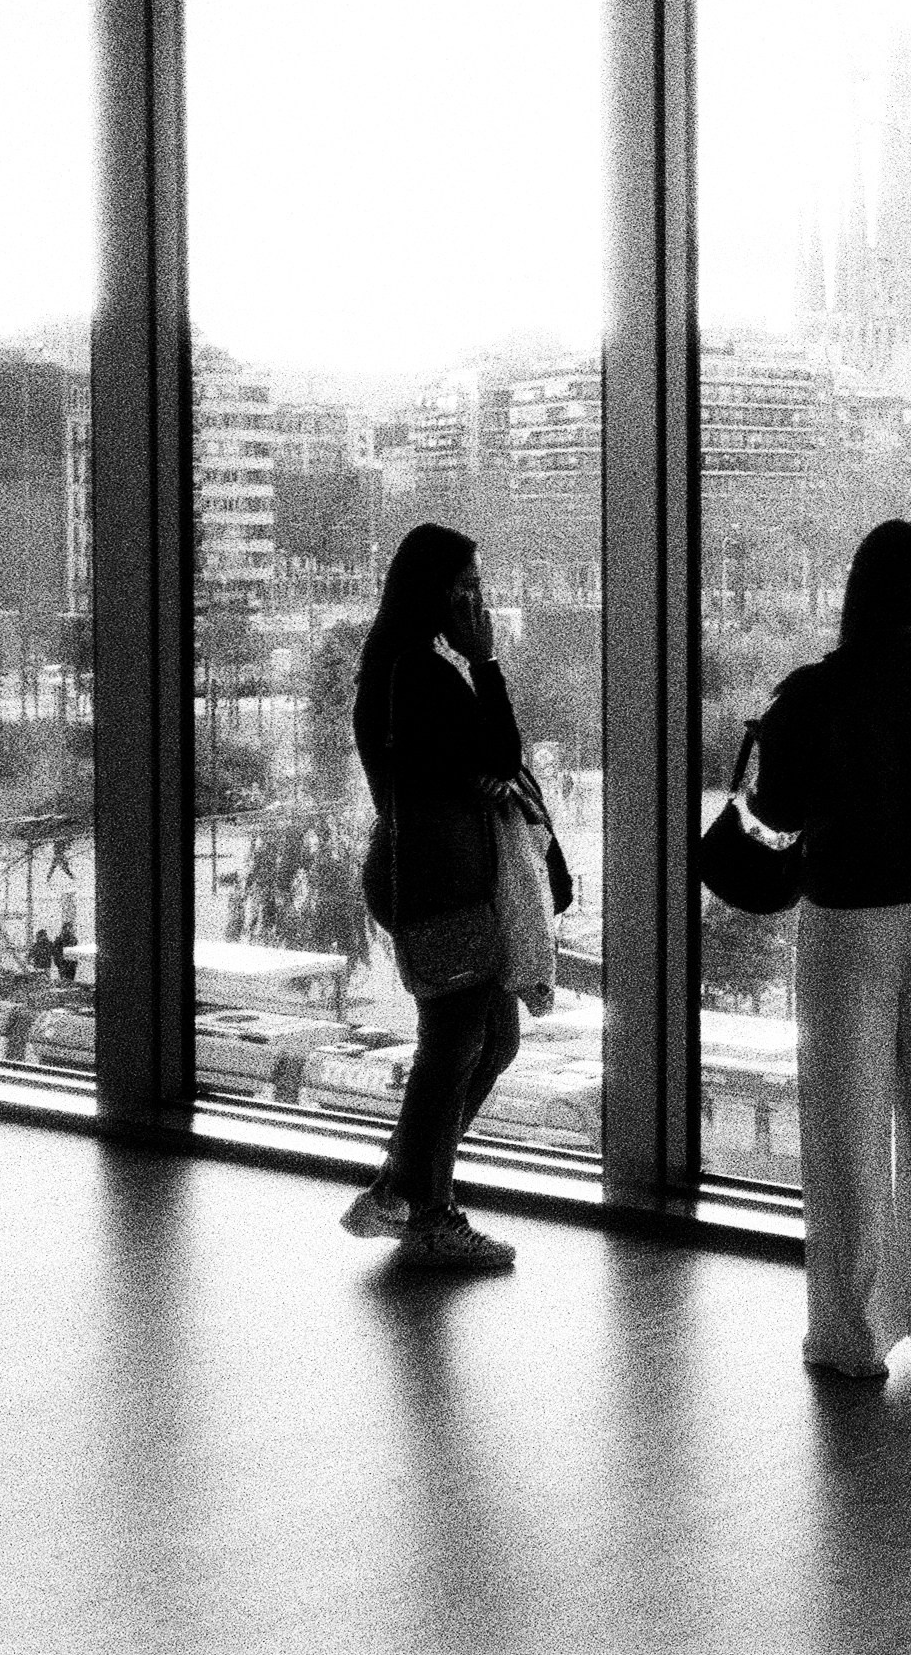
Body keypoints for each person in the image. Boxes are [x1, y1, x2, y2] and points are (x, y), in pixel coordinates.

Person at [751, 520, 911, 1380]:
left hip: (847, 921)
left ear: (856, 591)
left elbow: (776, 808)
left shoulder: (811, 692)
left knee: (844, 1138)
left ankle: (851, 1338)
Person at [341, 523, 547, 1275]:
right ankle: (428, 1213)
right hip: (440, 882)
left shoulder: (398, 668)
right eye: (465, 589)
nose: (476, 605)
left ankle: (405, 1188)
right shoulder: (421, 674)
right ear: (432, 592)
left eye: (478, 588)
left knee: (491, 1040)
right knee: (456, 1046)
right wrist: (486, 663)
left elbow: (482, 765)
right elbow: (500, 756)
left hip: (439, 876)